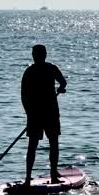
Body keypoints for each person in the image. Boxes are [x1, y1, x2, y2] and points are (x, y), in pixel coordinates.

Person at [21, 44, 67, 186]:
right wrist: (61, 88)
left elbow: (23, 96)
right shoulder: (51, 68)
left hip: (35, 114)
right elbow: (63, 82)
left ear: (34, 56)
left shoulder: (29, 71)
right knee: (53, 143)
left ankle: (28, 179)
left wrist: (29, 113)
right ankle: (53, 175)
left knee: (32, 145)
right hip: (50, 113)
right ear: (45, 55)